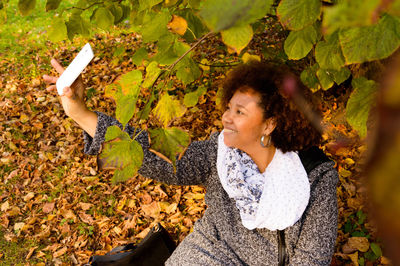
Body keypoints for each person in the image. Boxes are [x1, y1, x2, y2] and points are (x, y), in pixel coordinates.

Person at [43, 59, 338, 265]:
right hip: (209, 252)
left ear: (270, 124)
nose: (226, 118)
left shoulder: (314, 176)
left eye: (239, 112)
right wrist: (80, 113)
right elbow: (157, 159)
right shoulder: (219, 150)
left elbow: (312, 258)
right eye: (228, 108)